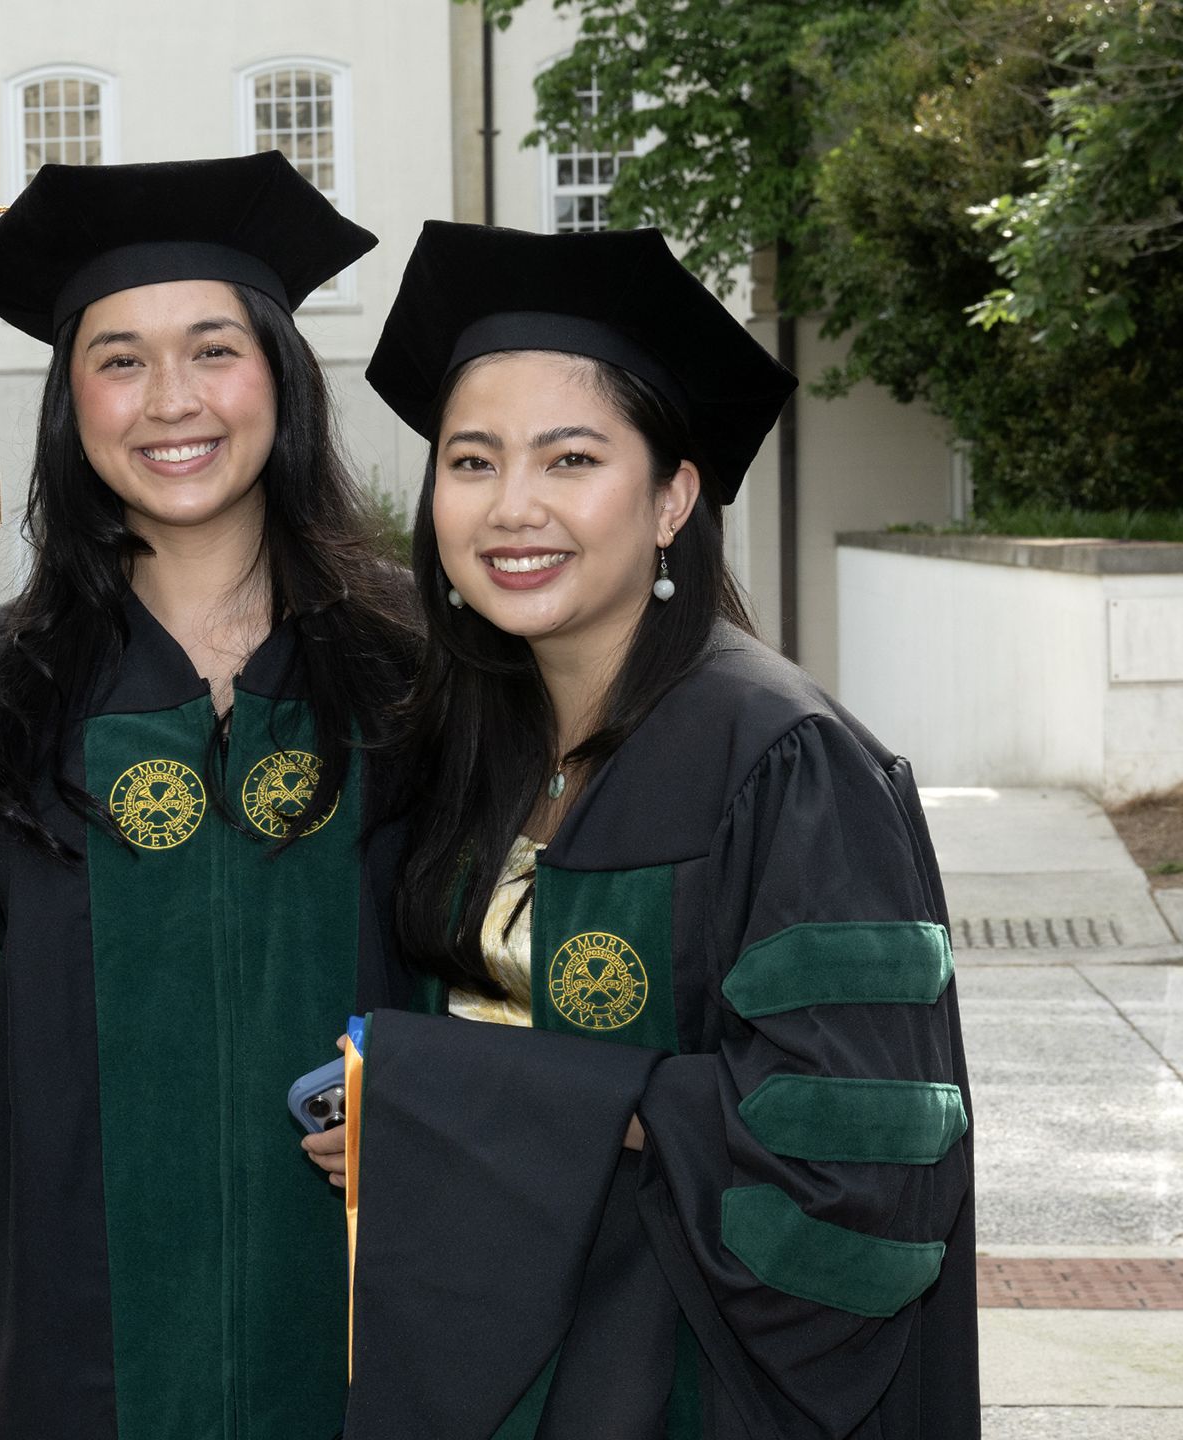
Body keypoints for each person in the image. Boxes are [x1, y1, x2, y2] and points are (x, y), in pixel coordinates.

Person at [316, 220, 977, 1439]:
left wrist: (450, 1102)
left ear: (673, 497)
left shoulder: (780, 758)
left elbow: (856, 1165)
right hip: (490, 1353)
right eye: (470, 462)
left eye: (570, 459)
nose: (511, 507)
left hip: (683, 1388)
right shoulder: (473, 739)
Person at [0, 153, 421, 1439]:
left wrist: (446, 1108)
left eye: (212, 350)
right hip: (65, 1335)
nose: (170, 402)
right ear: (68, 402)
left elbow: (489, 975)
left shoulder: (417, 675)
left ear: (278, 377)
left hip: (379, 1315)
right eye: (119, 358)